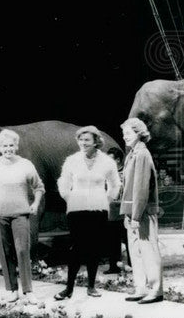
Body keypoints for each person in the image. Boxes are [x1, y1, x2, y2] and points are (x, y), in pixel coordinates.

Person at [0, 128, 44, 304]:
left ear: (16, 146)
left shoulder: (26, 164)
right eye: (4, 146)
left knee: (22, 251)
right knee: (5, 253)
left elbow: (39, 187)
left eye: (11, 145)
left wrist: (35, 204)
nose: (8, 149)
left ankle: (28, 291)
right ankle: (12, 290)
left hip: (21, 214)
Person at [54, 126, 120, 300]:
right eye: (81, 140)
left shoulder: (107, 162)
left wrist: (106, 200)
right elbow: (63, 182)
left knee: (94, 247)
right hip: (77, 210)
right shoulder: (71, 160)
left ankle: (91, 286)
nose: (83, 143)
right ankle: (68, 289)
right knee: (76, 248)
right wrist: (70, 198)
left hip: (98, 210)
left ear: (96, 142)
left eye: (87, 140)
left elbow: (115, 185)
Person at [120, 118, 163, 304]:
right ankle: (141, 288)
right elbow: (128, 187)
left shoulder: (142, 154)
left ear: (139, 133)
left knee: (148, 250)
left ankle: (155, 290)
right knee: (136, 252)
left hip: (143, 212)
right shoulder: (132, 154)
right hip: (133, 212)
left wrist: (136, 215)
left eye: (128, 133)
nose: (124, 137)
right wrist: (128, 213)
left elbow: (140, 188)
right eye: (123, 134)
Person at [104, 146, 131, 275]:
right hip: (111, 211)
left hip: (124, 211)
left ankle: (132, 265)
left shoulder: (126, 172)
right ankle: (114, 266)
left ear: (119, 160)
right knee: (112, 240)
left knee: (128, 240)